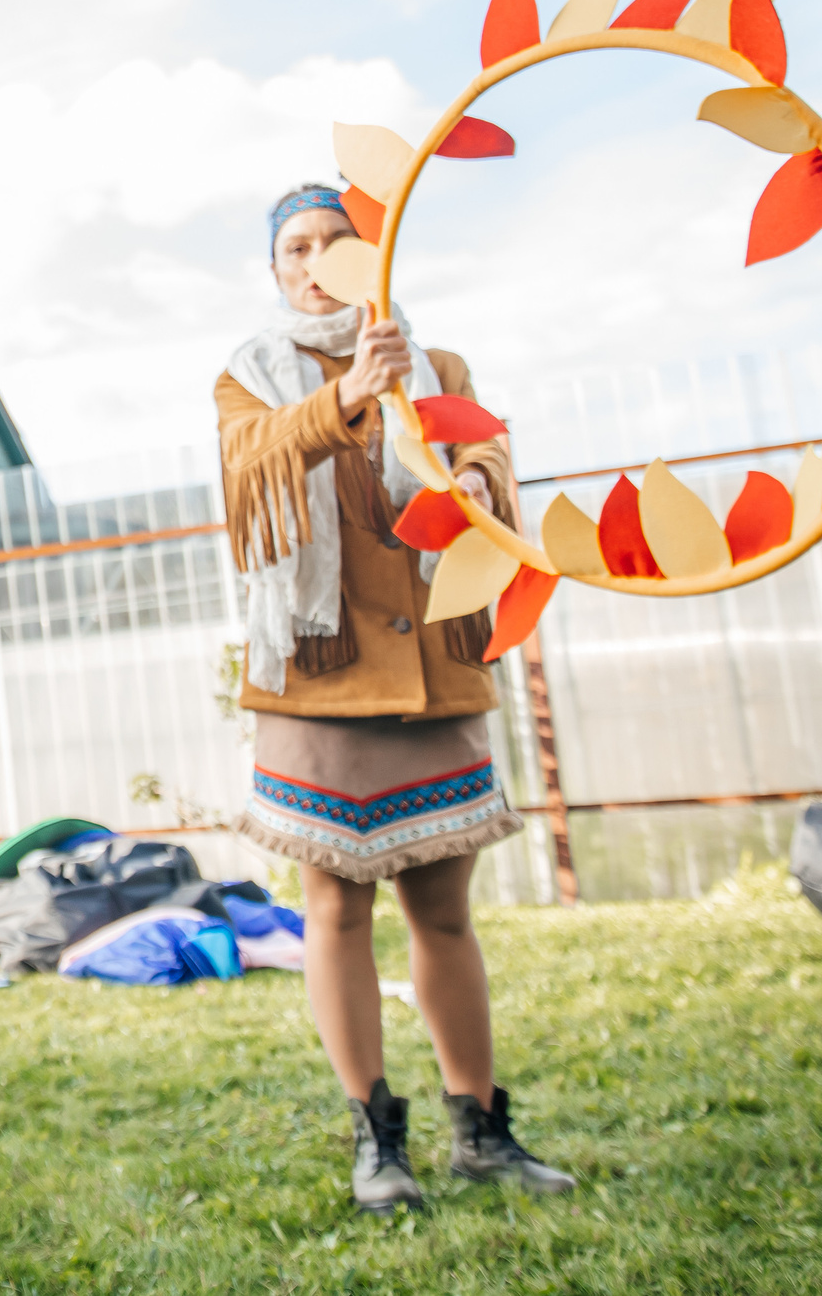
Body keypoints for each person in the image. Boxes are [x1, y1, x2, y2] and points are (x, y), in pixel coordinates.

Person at [216, 183, 576, 1216]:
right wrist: (347, 398)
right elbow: (248, 476)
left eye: (334, 239)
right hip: (318, 675)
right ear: (277, 269)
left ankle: (482, 1133)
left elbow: (490, 468)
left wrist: (469, 471)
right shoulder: (247, 376)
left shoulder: (440, 366)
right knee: (333, 910)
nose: (315, 258)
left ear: (371, 253)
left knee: (444, 913)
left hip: (433, 665)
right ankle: (379, 1142)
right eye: (295, 247)